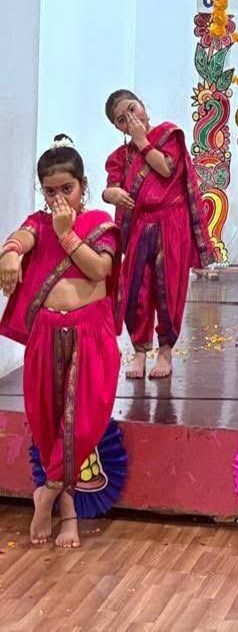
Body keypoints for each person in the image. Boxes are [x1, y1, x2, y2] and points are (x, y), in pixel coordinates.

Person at [0, 137, 120, 549]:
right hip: (47, 335)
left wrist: (67, 236)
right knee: (51, 427)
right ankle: (67, 514)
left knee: (82, 425)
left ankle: (46, 493)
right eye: (50, 191)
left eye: (67, 189)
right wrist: (10, 252)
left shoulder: (99, 222)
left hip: (91, 336)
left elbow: (99, 269)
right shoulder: (40, 222)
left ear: (83, 185)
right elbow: (23, 235)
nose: (58, 199)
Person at [103, 90, 214, 380]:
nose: (131, 119)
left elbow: (166, 169)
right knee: (137, 289)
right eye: (122, 119)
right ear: (117, 128)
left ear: (143, 104)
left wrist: (142, 141)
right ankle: (139, 352)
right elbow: (112, 185)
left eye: (132, 109)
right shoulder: (120, 157)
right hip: (141, 225)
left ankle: (165, 352)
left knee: (168, 288)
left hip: (171, 223)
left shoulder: (168, 135)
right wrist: (109, 194)